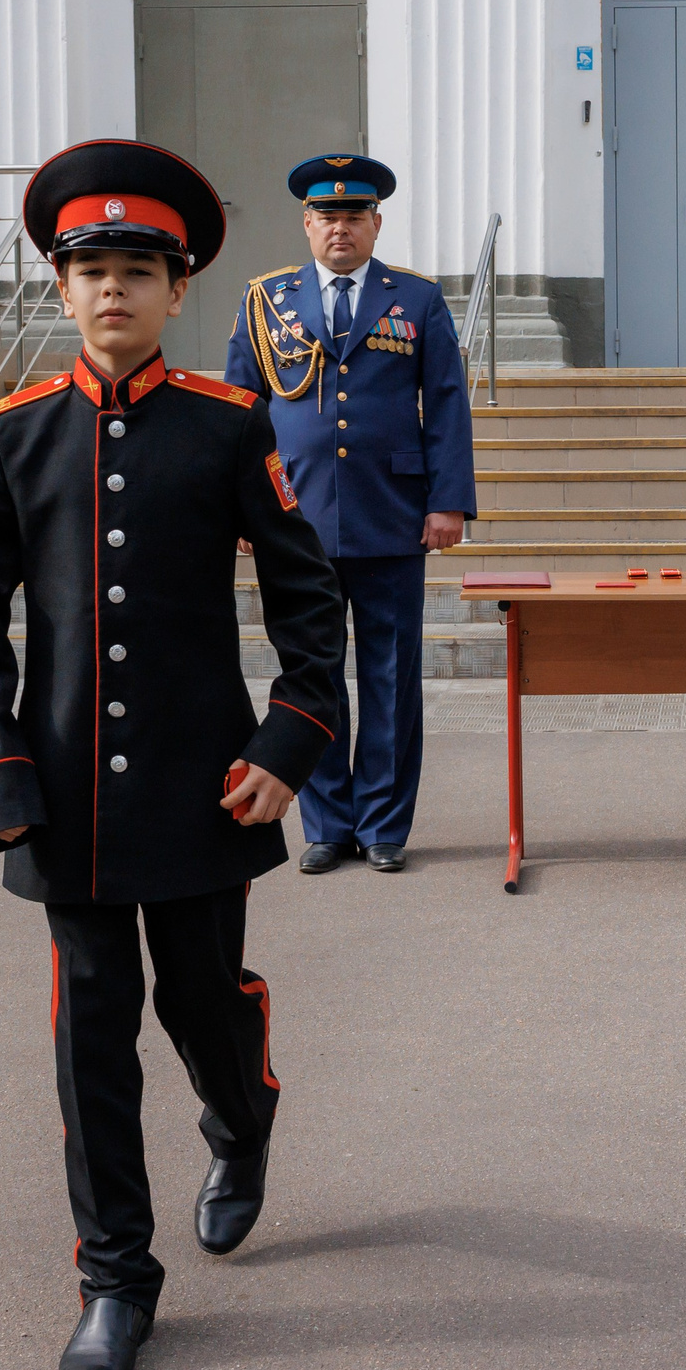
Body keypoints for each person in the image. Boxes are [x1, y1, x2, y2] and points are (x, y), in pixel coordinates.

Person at [0, 139, 347, 1370]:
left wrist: (289, 741)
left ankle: (242, 1117)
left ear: (179, 293)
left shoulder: (230, 427)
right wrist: (0, 772)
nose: (111, 290)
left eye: (137, 269)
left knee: (198, 1004)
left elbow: (308, 597)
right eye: (90, 270)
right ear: (59, 291)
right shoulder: (12, 436)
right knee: (91, 1039)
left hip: (201, 785)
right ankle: (116, 1279)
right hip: (64, 795)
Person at [224, 154, 476, 874]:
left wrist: (447, 501)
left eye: (354, 216)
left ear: (376, 223)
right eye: (327, 216)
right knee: (313, 673)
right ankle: (327, 822)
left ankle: (386, 824)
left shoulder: (418, 300)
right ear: (307, 224)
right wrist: (241, 508)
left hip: (392, 514)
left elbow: (447, 406)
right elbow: (239, 414)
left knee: (391, 676)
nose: (341, 228)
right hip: (294, 518)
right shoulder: (266, 301)